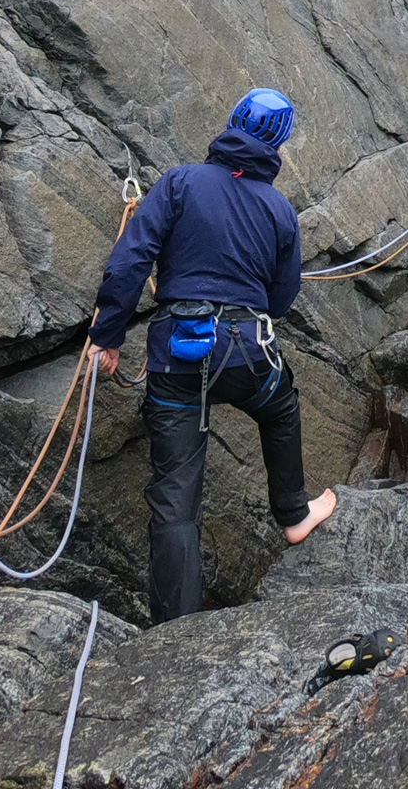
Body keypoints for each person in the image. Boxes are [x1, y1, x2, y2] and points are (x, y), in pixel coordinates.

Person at [88, 89, 338, 622]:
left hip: (176, 358)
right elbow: (281, 300)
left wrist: (107, 337)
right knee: (281, 406)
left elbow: (131, 259)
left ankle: (175, 629)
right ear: (278, 144)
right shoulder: (280, 211)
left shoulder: (179, 182)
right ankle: (293, 514)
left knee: (175, 500)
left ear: (231, 124)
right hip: (248, 356)